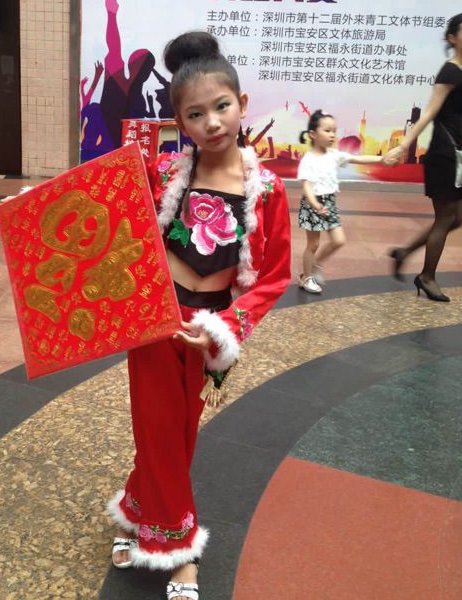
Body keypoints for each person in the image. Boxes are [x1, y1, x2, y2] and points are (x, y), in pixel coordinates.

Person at [106, 31, 291, 600]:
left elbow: (275, 275)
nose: (212, 122)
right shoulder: (164, 172)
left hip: (206, 329)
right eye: (195, 114)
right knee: (159, 427)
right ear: (180, 123)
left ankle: (136, 507)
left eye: (222, 106)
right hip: (155, 318)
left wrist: (224, 327)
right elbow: (110, 214)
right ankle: (176, 549)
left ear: (242, 103)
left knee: (178, 431)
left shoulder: (268, 190)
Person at [384, 14, 462, 302]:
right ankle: (427, 277)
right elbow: (429, 112)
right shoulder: (450, 71)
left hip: (459, 154)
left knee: (456, 218)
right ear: (452, 38)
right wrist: (403, 145)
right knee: (446, 217)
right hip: (446, 153)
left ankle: (405, 252)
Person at [296, 110, 388, 293]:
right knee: (313, 244)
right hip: (313, 204)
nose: (332, 135)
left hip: (329, 202)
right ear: (313, 134)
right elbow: (306, 186)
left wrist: (383, 159)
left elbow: (358, 158)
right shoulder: (308, 159)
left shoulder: (334, 155)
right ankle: (306, 278)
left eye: (334, 131)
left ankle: (314, 265)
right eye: (327, 130)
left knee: (338, 241)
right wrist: (315, 205)